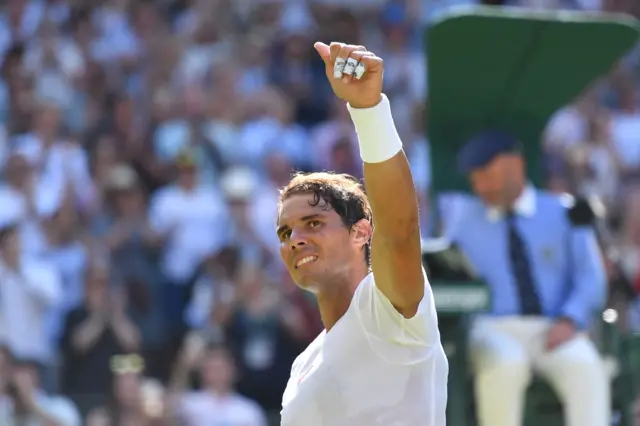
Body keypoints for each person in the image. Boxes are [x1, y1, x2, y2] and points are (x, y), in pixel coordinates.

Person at [276, 41, 448, 426]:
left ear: (361, 233)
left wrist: (369, 112)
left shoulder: (388, 310)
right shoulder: (303, 364)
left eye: (314, 223)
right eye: (285, 232)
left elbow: (400, 230)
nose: (295, 239)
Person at [446, 130, 609, 426]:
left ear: (515, 165)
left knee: (586, 367)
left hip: (554, 326)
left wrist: (570, 319)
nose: (479, 185)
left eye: (486, 172)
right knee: (506, 365)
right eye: (474, 176)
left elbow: (591, 276)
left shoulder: (565, 211)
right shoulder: (463, 222)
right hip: (491, 326)